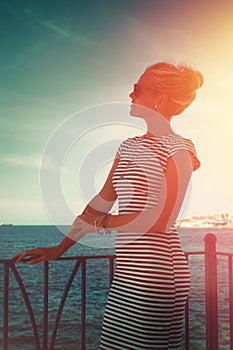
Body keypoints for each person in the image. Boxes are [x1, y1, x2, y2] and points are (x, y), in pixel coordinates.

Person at [13, 61, 203, 349]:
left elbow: (160, 221)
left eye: (138, 89)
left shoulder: (180, 148)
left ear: (159, 98)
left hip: (157, 274)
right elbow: (100, 203)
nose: (131, 94)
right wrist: (59, 248)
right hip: (127, 274)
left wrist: (103, 223)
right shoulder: (128, 146)